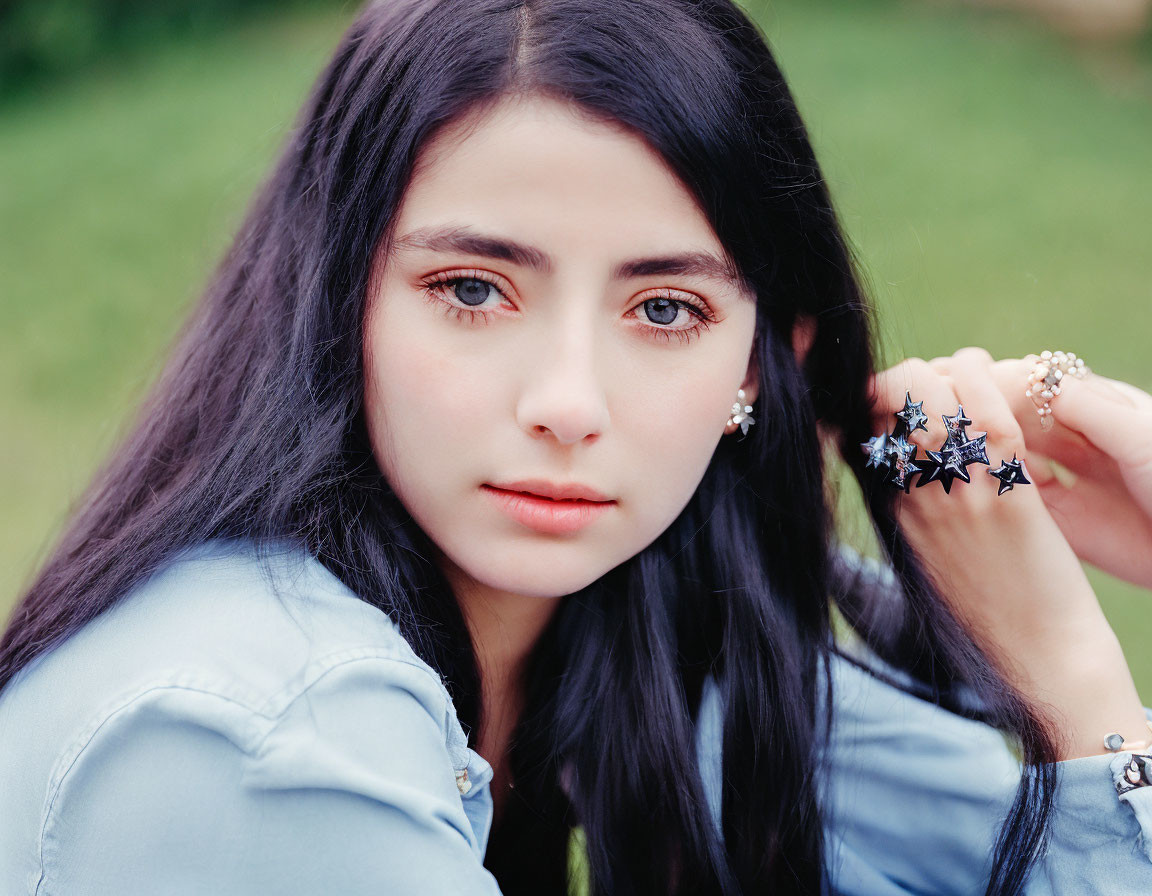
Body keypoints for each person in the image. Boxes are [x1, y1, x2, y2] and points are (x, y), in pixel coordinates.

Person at [1, 0, 1150, 893]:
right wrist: (1069, 682)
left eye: (664, 311)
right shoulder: (265, 736)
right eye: (472, 287)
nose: (566, 401)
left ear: (759, 367)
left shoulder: (656, 641)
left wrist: (1087, 713)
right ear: (337, 298)